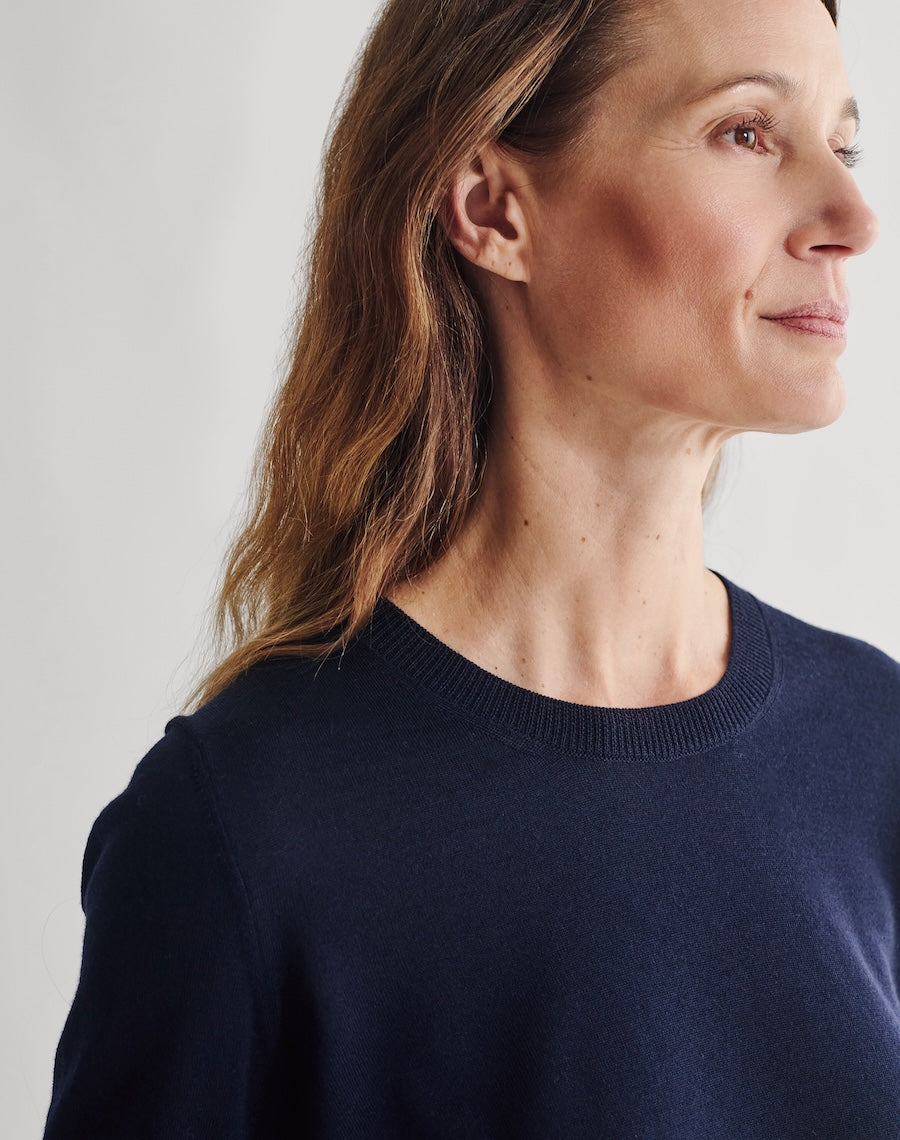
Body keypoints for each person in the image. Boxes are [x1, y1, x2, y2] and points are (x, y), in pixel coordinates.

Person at [44, 0, 900, 1136]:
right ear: (494, 208)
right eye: (747, 133)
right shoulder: (242, 830)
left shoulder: (877, 748)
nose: (852, 215)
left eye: (842, 145)